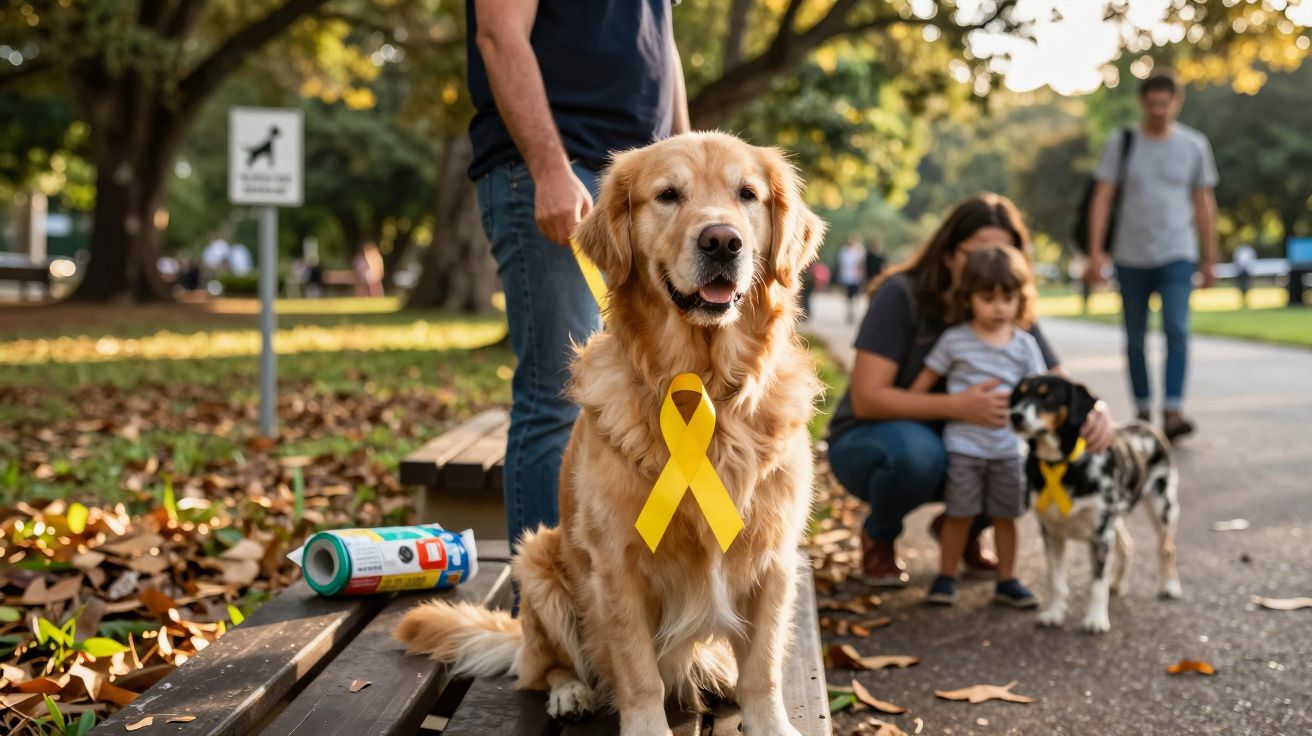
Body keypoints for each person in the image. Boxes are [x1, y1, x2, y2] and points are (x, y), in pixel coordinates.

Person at [467, 0, 689, 546]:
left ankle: (636, 593)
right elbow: (498, 34)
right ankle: (554, 608)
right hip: (563, 172)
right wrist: (549, 168)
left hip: (649, 187)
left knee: (656, 386)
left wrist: (690, 161)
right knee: (561, 396)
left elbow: (663, 47)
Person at [826, 193, 1115, 587]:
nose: (990, 265)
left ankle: (960, 529)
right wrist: (957, 407)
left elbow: (1057, 380)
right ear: (947, 253)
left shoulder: (1004, 306)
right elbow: (868, 397)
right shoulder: (902, 294)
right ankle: (879, 535)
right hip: (876, 437)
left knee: (1027, 456)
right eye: (979, 252)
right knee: (917, 455)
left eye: (1004, 253)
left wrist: (1096, 409)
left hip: (971, 439)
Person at [1085, 69, 1219, 441]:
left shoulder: (1193, 145)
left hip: (1177, 252)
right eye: (1153, 104)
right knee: (1135, 338)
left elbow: (1204, 203)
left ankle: (1173, 408)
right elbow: (1103, 197)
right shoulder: (1122, 142)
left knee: (1177, 329)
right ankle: (1144, 408)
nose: (1159, 110)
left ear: (1177, 102)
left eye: (1166, 103)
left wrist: (1210, 258)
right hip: (1130, 255)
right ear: (1142, 102)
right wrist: (1096, 253)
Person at [909, 246, 1044, 608]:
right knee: (959, 513)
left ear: (1020, 298)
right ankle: (946, 576)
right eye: (988, 298)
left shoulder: (1025, 346)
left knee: (1006, 516)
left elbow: (1039, 394)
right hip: (964, 447)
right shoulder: (955, 341)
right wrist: (956, 405)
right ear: (969, 298)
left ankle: (1008, 579)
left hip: (1007, 450)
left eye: (1008, 298)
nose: (999, 307)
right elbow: (921, 388)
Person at [836, 233, 867, 323]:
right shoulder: (843, 251)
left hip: (856, 277)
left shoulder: (860, 251)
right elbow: (841, 265)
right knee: (849, 296)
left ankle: (853, 310)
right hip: (846, 276)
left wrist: (862, 275)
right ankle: (850, 311)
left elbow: (862, 264)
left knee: (855, 295)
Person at [1233, 243, 1256, 308]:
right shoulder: (1239, 250)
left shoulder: (1249, 250)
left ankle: (1246, 300)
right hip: (1241, 271)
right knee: (1241, 286)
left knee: (1247, 286)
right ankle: (1243, 300)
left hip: (1247, 271)